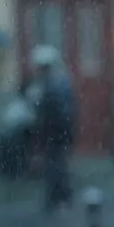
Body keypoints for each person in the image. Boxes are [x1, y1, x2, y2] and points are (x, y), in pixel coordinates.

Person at [29, 44, 77, 212]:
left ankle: (58, 197)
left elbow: (49, 110)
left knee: (54, 164)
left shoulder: (50, 85)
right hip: (59, 130)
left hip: (54, 131)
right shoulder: (60, 81)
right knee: (58, 163)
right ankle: (61, 196)